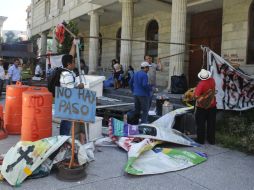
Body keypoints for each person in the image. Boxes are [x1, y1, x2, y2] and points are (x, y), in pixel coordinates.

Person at [59, 41, 84, 136]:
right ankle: (64, 140)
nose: (75, 63)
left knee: (65, 122)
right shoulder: (67, 75)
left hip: (65, 101)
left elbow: (70, 55)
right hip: (68, 102)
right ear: (69, 64)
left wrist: (73, 43)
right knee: (67, 123)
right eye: (73, 62)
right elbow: (71, 90)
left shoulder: (64, 70)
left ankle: (63, 138)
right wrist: (80, 86)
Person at [194, 69, 216, 145]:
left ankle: (200, 140)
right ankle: (211, 140)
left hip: (202, 107)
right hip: (212, 105)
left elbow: (196, 96)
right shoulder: (212, 80)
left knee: (200, 124)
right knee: (211, 123)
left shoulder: (201, 84)